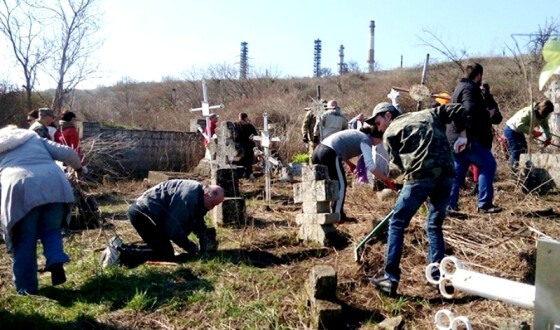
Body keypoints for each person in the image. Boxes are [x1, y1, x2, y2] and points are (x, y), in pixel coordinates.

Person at [365, 102, 468, 297]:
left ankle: (390, 278)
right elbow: (458, 109)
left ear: (388, 116)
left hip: (420, 176)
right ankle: (437, 278)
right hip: (447, 173)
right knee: (434, 225)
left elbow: (399, 165)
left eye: (378, 122)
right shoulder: (430, 112)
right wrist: (462, 135)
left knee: (397, 223)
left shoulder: (390, 132)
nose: (378, 128)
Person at [0, 125, 83, 295]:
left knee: (24, 240)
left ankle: (27, 289)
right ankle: (55, 259)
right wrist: (79, 168)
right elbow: (68, 153)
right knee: (51, 229)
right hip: (54, 183)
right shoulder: (33, 138)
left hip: (20, 188)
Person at [100, 180, 224, 267]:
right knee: (165, 253)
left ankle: (118, 248)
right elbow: (173, 231)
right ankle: (120, 253)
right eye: (213, 204)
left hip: (148, 214)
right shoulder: (189, 197)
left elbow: (197, 220)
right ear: (207, 194)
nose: (212, 208)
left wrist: (203, 239)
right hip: (143, 214)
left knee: (161, 248)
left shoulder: (198, 194)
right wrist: (191, 247)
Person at [448, 62, 502, 214]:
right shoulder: (469, 89)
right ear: (478, 76)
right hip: (468, 138)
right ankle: (484, 204)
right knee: (488, 165)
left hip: (456, 137)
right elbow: (468, 110)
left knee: (458, 172)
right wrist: (487, 114)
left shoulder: (459, 88)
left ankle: (449, 205)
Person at [312, 125, 394, 221]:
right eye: (380, 140)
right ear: (376, 137)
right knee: (341, 185)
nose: (379, 143)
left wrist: (350, 164)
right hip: (329, 152)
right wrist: (385, 179)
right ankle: (338, 215)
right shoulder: (366, 140)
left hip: (317, 151)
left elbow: (341, 146)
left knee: (318, 185)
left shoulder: (358, 134)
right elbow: (370, 166)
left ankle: (312, 212)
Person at [504, 100, 554, 171]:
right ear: (540, 110)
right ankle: (514, 172)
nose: (546, 116)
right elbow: (519, 125)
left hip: (519, 132)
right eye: (545, 114)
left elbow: (545, 127)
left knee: (524, 149)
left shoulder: (544, 115)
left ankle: (523, 170)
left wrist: (548, 138)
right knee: (516, 150)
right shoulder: (529, 112)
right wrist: (533, 132)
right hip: (511, 129)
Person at [233, 112, 258, 179]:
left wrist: (254, 141)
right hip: (239, 147)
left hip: (248, 147)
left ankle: (248, 174)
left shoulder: (250, 126)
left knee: (248, 162)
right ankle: (240, 174)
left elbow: (255, 136)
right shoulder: (235, 125)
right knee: (239, 162)